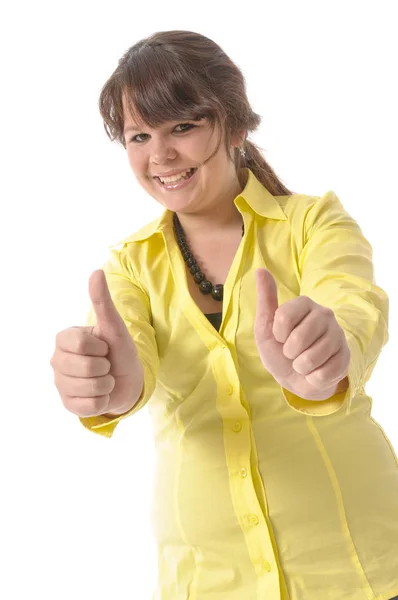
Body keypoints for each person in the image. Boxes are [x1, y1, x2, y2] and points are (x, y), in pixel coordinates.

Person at [49, 30, 398, 600]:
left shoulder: (315, 224)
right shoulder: (129, 268)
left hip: (355, 563)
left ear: (234, 125)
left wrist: (329, 351)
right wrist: (110, 384)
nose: (160, 155)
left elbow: (352, 307)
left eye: (183, 126)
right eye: (140, 136)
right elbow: (130, 364)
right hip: (207, 579)